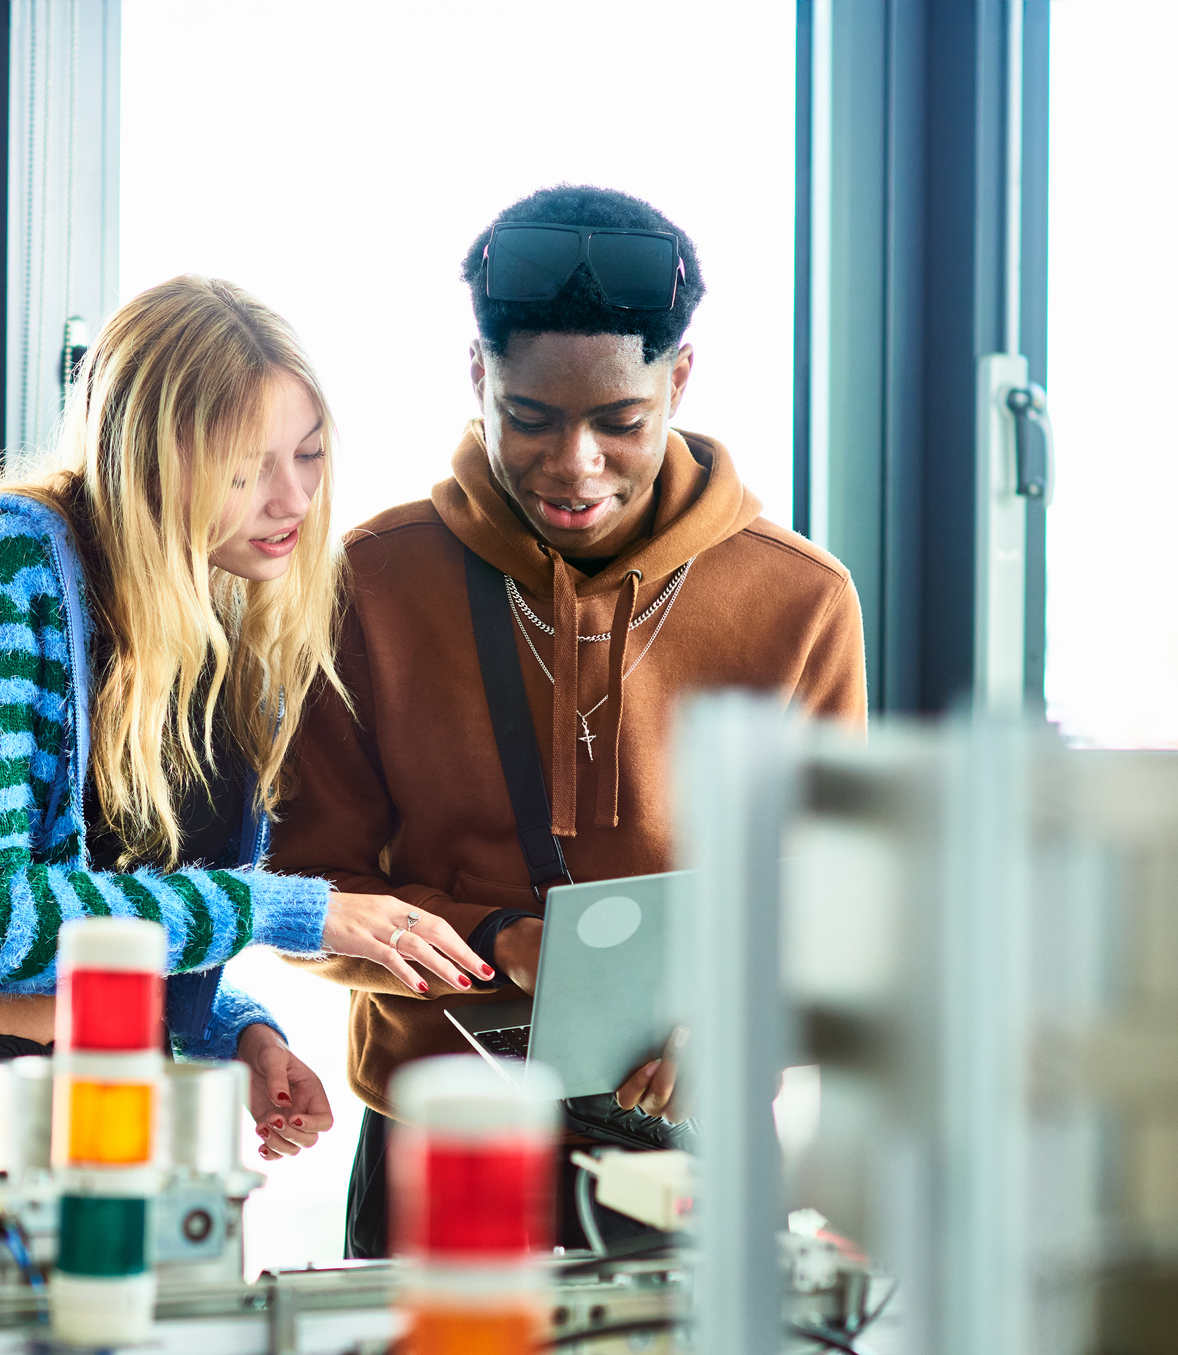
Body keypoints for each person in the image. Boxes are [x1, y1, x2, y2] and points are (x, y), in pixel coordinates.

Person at [267, 185, 869, 1256]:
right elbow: (310, 888)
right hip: (436, 1140)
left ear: (679, 379)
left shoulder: (800, 601)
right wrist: (497, 940)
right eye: (531, 417)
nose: (573, 463)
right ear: (476, 377)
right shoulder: (372, 581)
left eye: (620, 422)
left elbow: (829, 911)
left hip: (697, 1138)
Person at [0, 275, 491, 1182]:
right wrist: (296, 911)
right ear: (152, 459)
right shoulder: (2, 564)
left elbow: (112, 907)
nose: (292, 500)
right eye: (247, 469)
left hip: (106, 1100)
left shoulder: (212, 615)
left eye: (309, 455)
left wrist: (233, 1030)